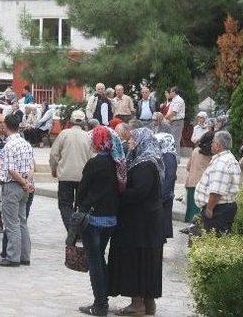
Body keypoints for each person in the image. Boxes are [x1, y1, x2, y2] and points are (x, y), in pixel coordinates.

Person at [108, 128, 165, 316]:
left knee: (138, 261)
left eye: (133, 138)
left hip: (141, 224)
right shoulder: (146, 160)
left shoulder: (145, 164)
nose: (130, 141)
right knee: (146, 262)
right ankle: (148, 303)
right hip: (145, 223)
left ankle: (137, 304)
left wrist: (119, 194)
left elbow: (140, 192)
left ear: (142, 140)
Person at [76, 126, 123, 317]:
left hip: (93, 219)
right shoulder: (116, 162)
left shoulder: (95, 163)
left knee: (94, 261)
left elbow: (82, 191)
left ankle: (100, 304)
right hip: (110, 219)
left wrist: (80, 206)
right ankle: (103, 299)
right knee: (99, 257)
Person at [0, 114, 34, 267]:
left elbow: (11, 170)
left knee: (12, 223)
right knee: (22, 221)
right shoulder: (26, 144)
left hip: (12, 185)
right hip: (24, 186)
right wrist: (27, 182)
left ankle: (13, 257)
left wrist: (22, 182)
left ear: (5, 126)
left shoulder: (9, 146)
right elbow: (31, 166)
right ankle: (25, 255)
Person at [49, 110, 94, 231]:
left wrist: (54, 169)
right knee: (81, 205)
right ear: (84, 122)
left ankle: (71, 229)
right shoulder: (88, 136)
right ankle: (78, 230)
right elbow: (92, 157)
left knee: (65, 204)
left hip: (65, 175)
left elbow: (54, 155)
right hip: (83, 177)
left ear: (70, 121)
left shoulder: (64, 134)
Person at [194, 131, 241, 234]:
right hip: (222, 207)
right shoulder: (229, 159)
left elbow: (216, 191)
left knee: (213, 238)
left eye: (213, 142)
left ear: (218, 146)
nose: (211, 144)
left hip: (217, 209)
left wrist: (209, 209)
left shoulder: (222, 162)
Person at [183, 132, 214, 225]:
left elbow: (188, 167)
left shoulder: (196, 150)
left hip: (191, 182)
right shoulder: (211, 155)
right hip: (203, 185)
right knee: (198, 213)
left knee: (190, 211)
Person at [155, 132, 178, 240]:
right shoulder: (166, 154)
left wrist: (162, 196)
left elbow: (170, 177)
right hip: (165, 195)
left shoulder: (168, 156)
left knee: (161, 225)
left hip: (164, 196)